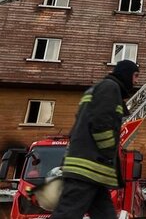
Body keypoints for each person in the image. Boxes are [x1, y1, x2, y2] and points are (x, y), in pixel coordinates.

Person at [51, 60, 139, 219]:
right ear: (126, 73)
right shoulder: (110, 88)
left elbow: (80, 124)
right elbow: (100, 123)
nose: (136, 81)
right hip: (88, 169)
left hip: (93, 172)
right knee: (67, 214)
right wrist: (108, 151)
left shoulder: (98, 89)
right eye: (135, 75)